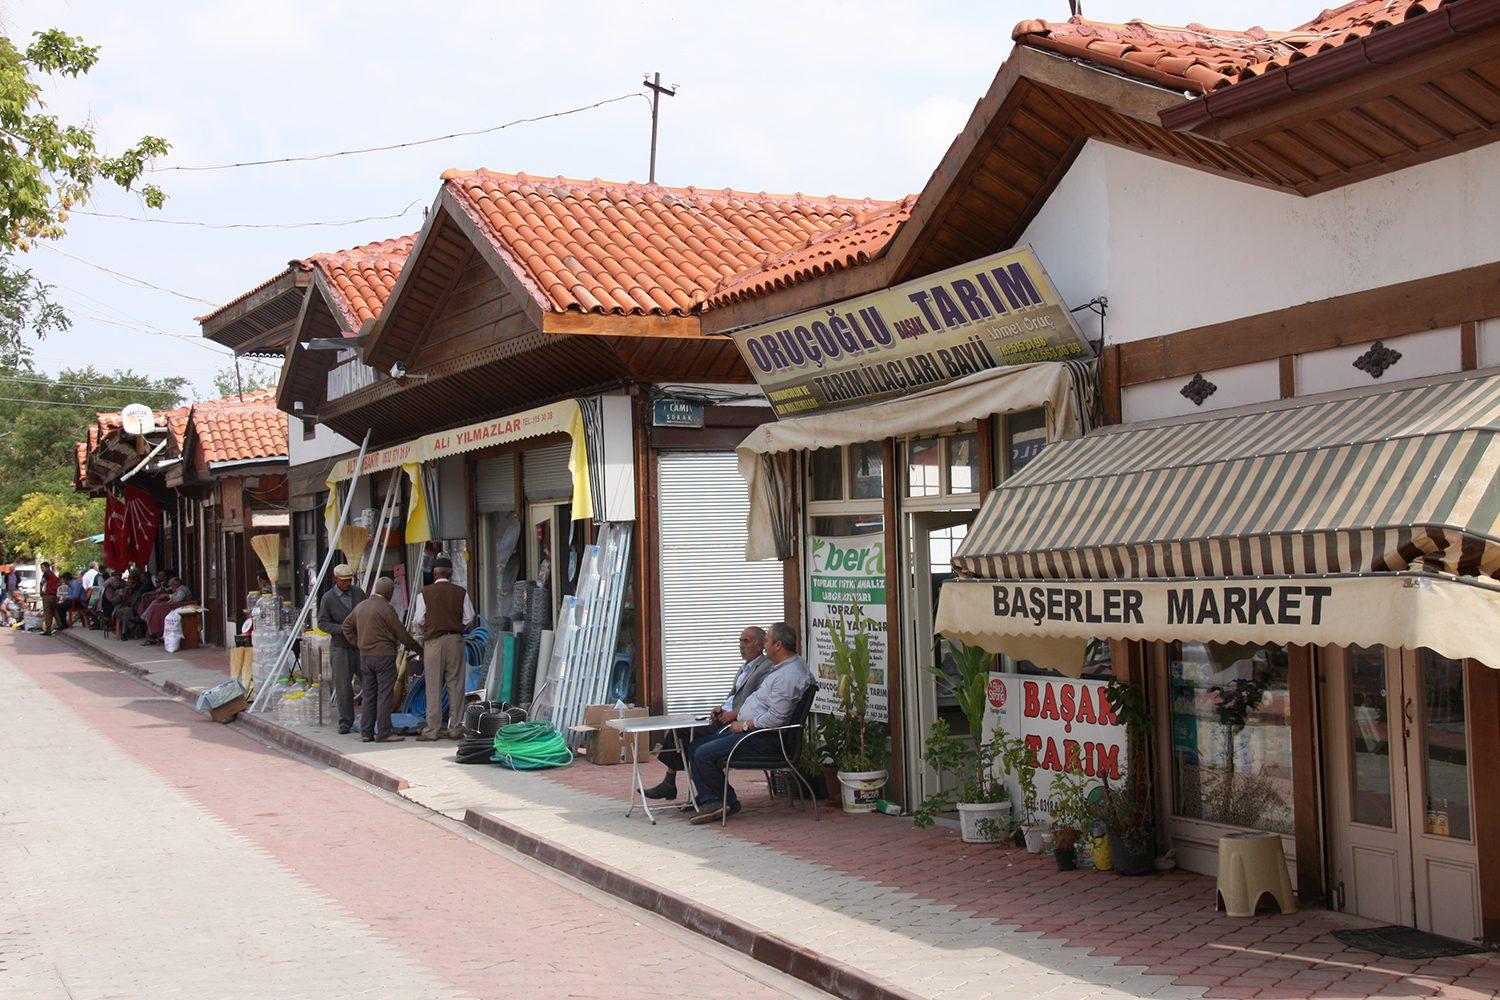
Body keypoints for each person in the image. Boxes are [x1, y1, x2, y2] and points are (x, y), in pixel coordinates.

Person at [688, 622, 813, 824]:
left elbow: (776, 718)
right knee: (696, 746)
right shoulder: (782, 667)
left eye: (767, 640)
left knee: (703, 753)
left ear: (778, 645)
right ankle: (717, 798)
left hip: (765, 738)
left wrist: (745, 725)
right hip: (752, 731)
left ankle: (716, 800)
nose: (764, 645)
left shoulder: (789, 675)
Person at [643, 626, 771, 801]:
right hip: (724, 718)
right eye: (740, 640)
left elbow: (758, 703)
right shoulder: (744, 668)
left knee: (692, 742)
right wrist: (720, 708)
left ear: (759, 646)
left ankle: (689, 789)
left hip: (736, 724)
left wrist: (732, 714)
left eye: (746, 641)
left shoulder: (765, 668)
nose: (741, 645)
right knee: (678, 731)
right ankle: (672, 782)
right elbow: (733, 696)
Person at [341, 576, 420, 743]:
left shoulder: (361, 606)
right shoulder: (386, 609)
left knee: (369, 694)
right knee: (385, 695)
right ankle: (384, 733)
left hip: (365, 657)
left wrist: (358, 643)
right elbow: (402, 634)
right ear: (389, 592)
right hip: (384, 656)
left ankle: (366, 732)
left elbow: (346, 627)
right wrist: (420, 649)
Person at [411, 555, 475, 742]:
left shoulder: (425, 593)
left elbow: (418, 620)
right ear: (451, 573)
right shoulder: (460, 592)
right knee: (455, 684)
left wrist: (426, 631)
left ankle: (433, 729)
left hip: (434, 642)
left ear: (434, 573)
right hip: (455, 640)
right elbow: (469, 618)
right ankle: (455, 727)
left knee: (433, 685)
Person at [317, 564, 366, 735]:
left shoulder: (359, 593)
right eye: (344, 581)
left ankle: (369, 717)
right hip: (340, 647)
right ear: (336, 579)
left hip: (360, 646)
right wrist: (342, 629)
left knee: (368, 680)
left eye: (349, 581)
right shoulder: (328, 598)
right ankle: (346, 721)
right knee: (343, 686)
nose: (347, 584)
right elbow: (322, 623)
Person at [39, 561, 60, 635]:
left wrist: (41, 592)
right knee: (54, 611)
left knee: (47, 612)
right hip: (53, 595)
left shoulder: (46, 575)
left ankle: (48, 629)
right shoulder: (52, 575)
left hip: (47, 595)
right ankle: (60, 625)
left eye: (42, 567)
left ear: (47, 567)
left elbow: (42, 584)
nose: (41, 569)